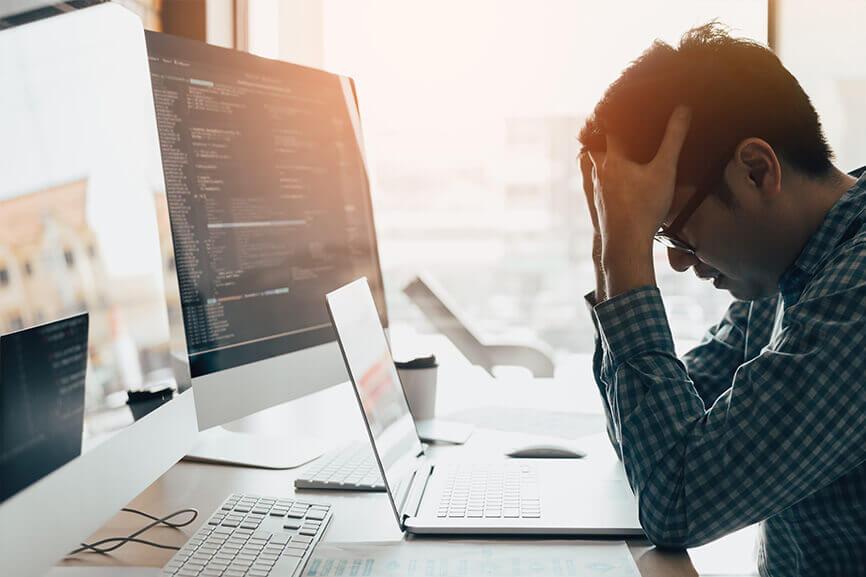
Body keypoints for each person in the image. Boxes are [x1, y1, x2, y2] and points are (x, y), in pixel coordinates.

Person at [578, 23, 866, 577]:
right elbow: (656, 444)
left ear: (757, 171)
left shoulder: (855, 295)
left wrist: (625, 257)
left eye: (674, 228)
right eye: (658, 236)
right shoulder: (796, 268)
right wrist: (609, 246)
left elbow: (677, 501)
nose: (678, 261)